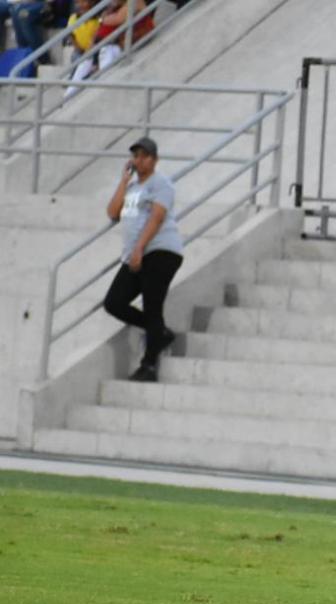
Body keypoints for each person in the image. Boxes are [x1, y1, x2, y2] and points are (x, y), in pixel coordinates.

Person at [103, 137, 183, 382]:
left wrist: (139, 248)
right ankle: (159, 332)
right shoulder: (132, 188)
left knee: (152, 306)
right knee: (114, 302)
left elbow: (156, 218)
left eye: (145, 155)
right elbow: (113, 212)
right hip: (135, 256)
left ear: (155, 160)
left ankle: (148, 366)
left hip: (160, 251)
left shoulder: (161, 184)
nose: (140, 160)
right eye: (136, 156)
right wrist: (124, 180)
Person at [64, 0, 100, 98]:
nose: (81, 5)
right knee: (76, 57)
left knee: (87, 60)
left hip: (92, 49)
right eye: (78, 2)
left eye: (83, 2)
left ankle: (80, 80)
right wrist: (78, 47)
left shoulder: (96, 19)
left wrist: (89, 49)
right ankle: (72, 79)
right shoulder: (73, 17)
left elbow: (96, 37)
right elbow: (71, 35)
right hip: (79, 49)